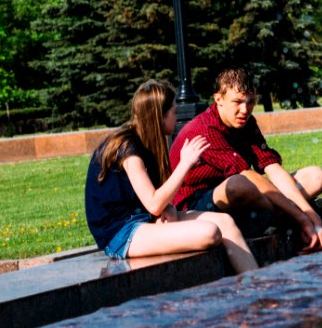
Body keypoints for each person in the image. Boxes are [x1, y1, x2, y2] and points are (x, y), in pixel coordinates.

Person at [84, 79, 258, 274]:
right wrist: (185, 164)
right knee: (209, 232)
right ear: (160, 116)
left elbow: (156, 201)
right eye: (174, 112)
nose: (177, 117)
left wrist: (169, 207)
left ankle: (256, 286)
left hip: (142, 220)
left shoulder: (149, 143)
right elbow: (153, 203)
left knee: (225, 221)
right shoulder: (127, 149)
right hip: (121, 233)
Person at [169, 67, 322, 253]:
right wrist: (302, 216)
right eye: (237, 102)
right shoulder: (206, 128)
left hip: (246, 199)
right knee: (238, 184)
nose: (245, 110)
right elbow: (247, 177)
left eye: (251, 102)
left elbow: (271, 167)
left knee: (315, 177)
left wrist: (309, 214)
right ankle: (284, 217)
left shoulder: (247, 123)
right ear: (219, 99)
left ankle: (272, 219)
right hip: (195, 206)